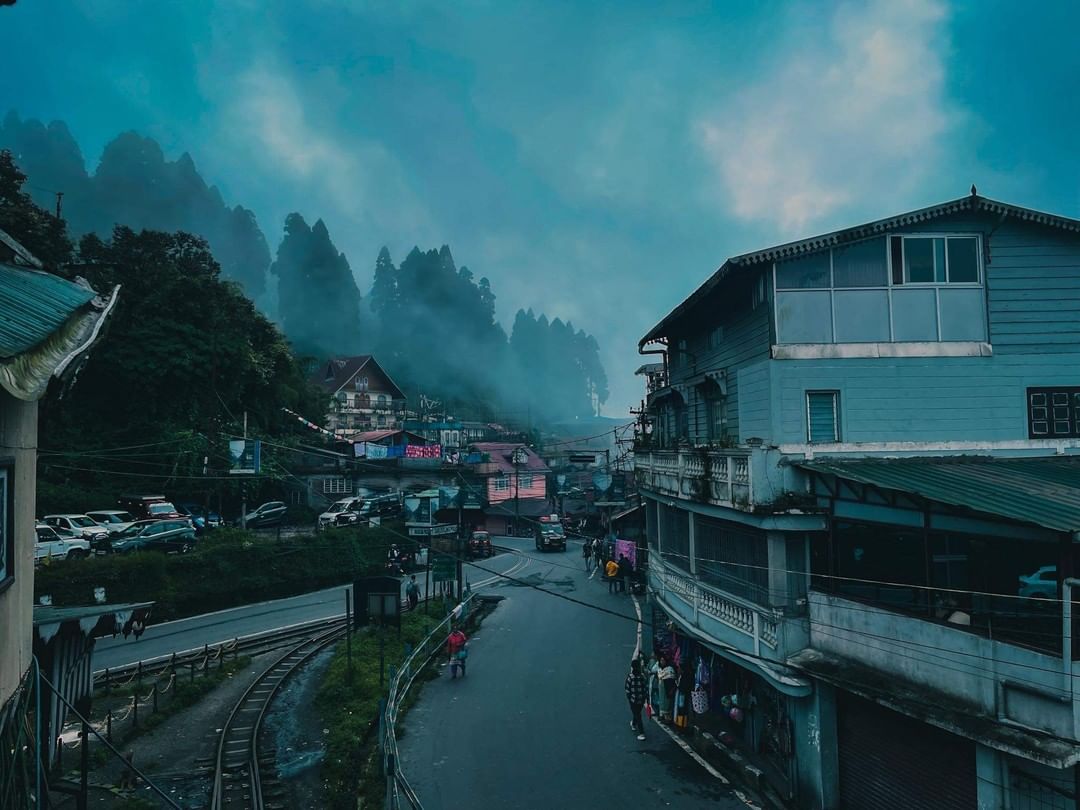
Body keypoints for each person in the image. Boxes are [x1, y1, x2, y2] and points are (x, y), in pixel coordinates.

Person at [625, 657, 648, 740]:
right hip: (641, 700)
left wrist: (629, 697)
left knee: (637, 714)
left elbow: (627, 688)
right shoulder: (642, 676)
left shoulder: (630, 677)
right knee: (637, 712)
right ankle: (634, 724)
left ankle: (642, 733)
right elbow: (645, 687)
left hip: (633, 699)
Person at [650, 655, 676, 721]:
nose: (662, 662)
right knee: (662, 702)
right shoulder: (660, 669)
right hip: (661, 689)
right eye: (661, 660)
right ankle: (662, 715)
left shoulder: (669, 669)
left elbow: (671, 679)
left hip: (667, 689)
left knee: (667, 703)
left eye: (663, 660)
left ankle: (668, 718)